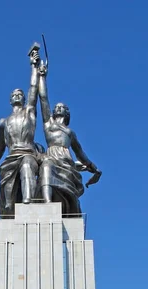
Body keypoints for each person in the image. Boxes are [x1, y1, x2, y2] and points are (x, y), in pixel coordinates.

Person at [0, 49, 42, 215]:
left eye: (20, 94)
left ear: (23, 98)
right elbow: (0, 146)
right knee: (8, 205)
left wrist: (34, 66)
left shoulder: (29, 112)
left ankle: (30, 204)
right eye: (14, 94)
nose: (17, 95)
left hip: (28, 153)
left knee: (28, 164)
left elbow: (33, 88)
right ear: (10, 100)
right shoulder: (3, 122)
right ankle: (11, 215)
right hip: (10, 159)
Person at [37, 64, 101, 214]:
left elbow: (80, 153)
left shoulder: (70, 133)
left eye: (63, 107)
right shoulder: (48, 125)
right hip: (52, 157)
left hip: (67, 163)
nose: (59, 107)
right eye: (57, 106)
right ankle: (47, 204)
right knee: (46, 166)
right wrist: (42, 77)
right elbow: (43, 98)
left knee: (70, 195)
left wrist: (93, 167)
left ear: (67, 114)